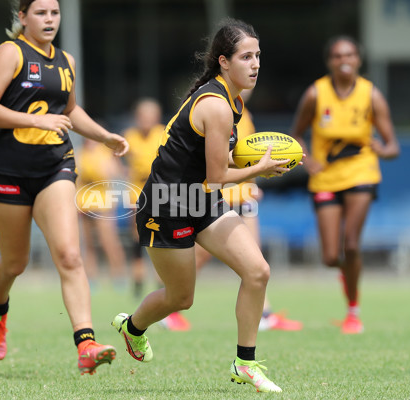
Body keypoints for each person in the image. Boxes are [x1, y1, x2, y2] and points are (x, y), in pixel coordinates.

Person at [111, 19, 291, 393]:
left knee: (257, 271)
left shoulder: (233, 100)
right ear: (224, 62)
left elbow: (212, 175)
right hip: (166, 204)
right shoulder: (217, 106)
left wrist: (251, 166)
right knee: (181, 298)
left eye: (258, 56)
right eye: (246, 57)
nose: (255, 63)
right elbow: (215, 175)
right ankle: (133, 327)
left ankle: (245, 363)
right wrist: (261, 169)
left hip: (201, 200)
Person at [0, 0, 128, 375]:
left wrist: (103, 136)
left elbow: (70, 111)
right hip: (7, 172)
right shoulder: (10, 53)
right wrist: (35, 121)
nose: (49, 20)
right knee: (15, 263)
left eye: (54, 13)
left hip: (54, 167)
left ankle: (86, 344)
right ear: (22, 17)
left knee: (70, 255)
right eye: (40, 13)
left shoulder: (66, 62)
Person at [289, 36, 399, 334]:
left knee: (351, 243)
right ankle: (349, 274)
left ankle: (353, 311)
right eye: (337, 56)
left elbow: (393, 146)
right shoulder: (315, 94)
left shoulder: (370, 95)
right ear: (330, 61)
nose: (344, 60)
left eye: (349, 54)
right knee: (329, 257)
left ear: (359, 59)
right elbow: (296, 135)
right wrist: (307, 159)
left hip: (361, 173)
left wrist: (381, 149)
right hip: (325, 177)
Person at [192, 89, 303, 332]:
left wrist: (252, 184)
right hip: (223, 195)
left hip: (244, 196)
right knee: (198, 257)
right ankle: (168, 301)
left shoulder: (245, 114)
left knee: (255, 258)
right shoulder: (219, 111)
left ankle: (264, 313)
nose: (250, 86)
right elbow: (220, 162)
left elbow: (247, 158)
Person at [122, 98, 166, 299]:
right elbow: (116, 159)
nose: (146, 120)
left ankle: (161, 280)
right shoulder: (130, 136)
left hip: (160, 189)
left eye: (150, 116)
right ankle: (138, 281)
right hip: (137, 190)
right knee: (138, 237)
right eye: (142, 116)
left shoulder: (163, 134)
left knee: (161, 235)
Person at [76, 138, 128, 291]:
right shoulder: (80, 153)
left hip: (102, 204)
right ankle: (91, 279)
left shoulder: (105, 154)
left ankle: (119, 276)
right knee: (88, 244)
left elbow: (116, 173)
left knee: (109, 242)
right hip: (83, 204)